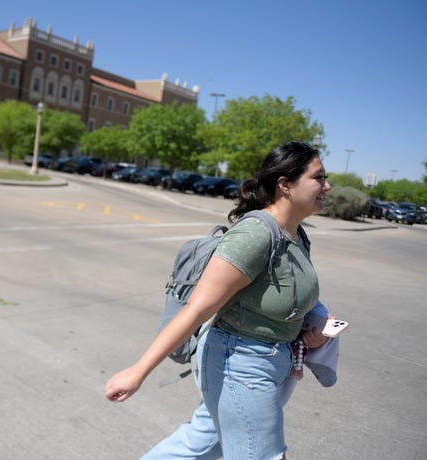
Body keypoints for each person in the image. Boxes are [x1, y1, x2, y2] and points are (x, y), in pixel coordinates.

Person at [105, 141, 331, 459]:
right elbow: (197, 308)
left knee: (201, 445)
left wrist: (317, 328)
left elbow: (295, 296)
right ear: (285, 185)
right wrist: (138, 371)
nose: (327, 185)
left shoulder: (296, 235)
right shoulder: (255, 236)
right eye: (318, 177)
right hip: (239, 365)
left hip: (268, 362)